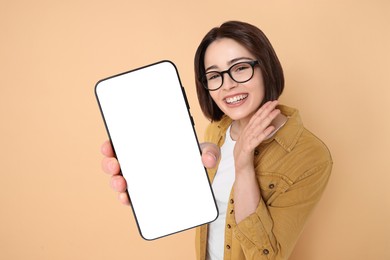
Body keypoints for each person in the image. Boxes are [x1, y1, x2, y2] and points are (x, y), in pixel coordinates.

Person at [101, 21, 332, 260]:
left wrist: (243, 165)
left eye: (240, 68)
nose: (228, 85)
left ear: (266, 68)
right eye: (214, 75)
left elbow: (266, 257)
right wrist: (152, 185)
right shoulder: (216, 131)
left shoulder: (309, 156)